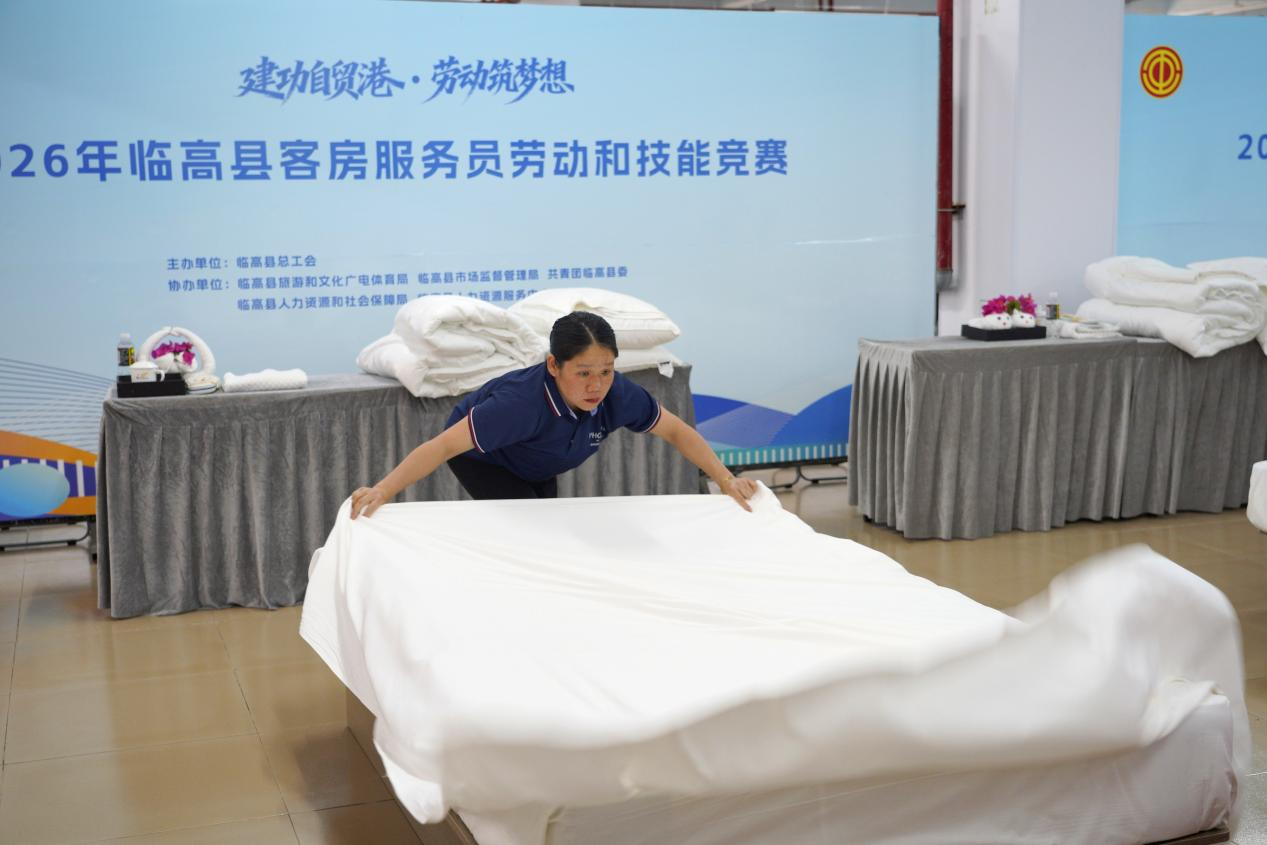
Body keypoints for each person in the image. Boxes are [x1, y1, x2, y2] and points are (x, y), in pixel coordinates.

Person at [350, 311, 758, 518]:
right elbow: (440, 447)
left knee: (548, 526)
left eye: (606, 371)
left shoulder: (618, 393)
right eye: (583, 373)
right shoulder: (518, 404)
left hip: (540, 459)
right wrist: (382, 491)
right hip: (486, 459)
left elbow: (677, 431)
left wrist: (726, 480)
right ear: (553, 366)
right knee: (531, 531)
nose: (596, 385)